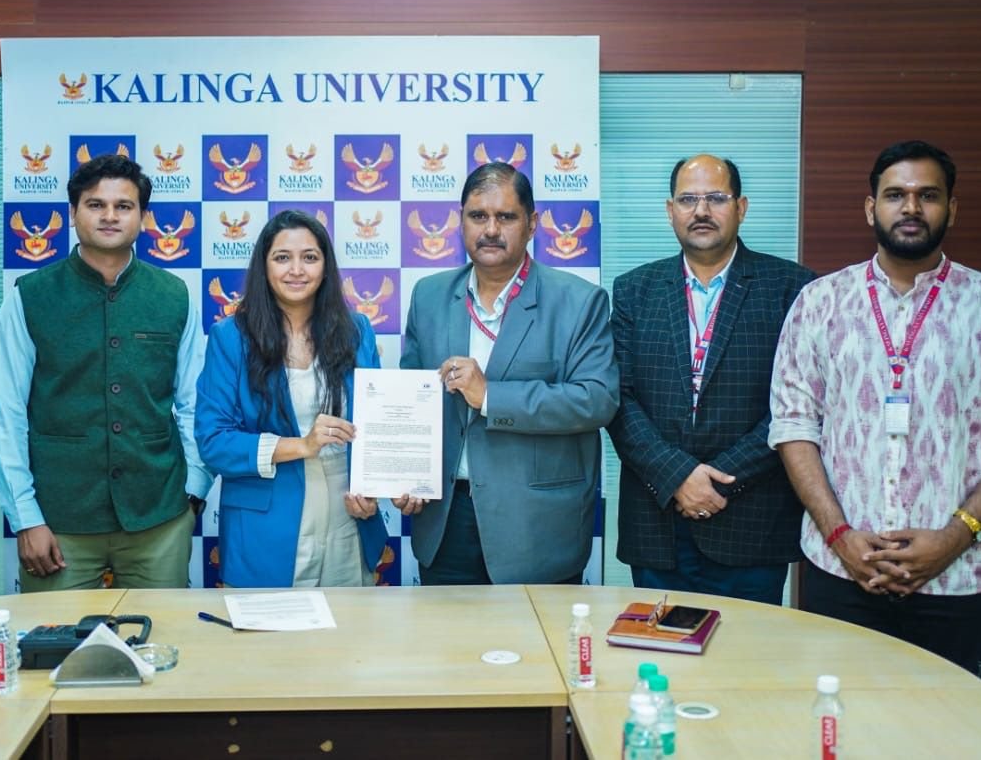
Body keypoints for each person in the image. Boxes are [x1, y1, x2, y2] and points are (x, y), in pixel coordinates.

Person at [770, 140, 981, 695]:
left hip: (967, 580)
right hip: (843, 574)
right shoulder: (819, 303)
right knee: (841, 725)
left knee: (970, 730)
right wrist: (841, 536)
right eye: (895, 195)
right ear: (870, 208)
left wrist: (954, 537)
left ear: (952, 208)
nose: (910, 207)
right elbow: (794, 425)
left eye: (928, 195)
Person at [0, 154, 211, 591]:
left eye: (124, 206)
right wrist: (26, 517)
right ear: (73, 213)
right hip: (59, 522)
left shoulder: (174, 296)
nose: (110, 216)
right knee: (55, 636)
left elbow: (193, 403)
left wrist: (194, 492)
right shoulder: (29, 297)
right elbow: (7, 413)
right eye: (95, 205)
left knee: (164, 634)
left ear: (143, 218)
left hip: (159, 517)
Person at [397, 162, 618, 585]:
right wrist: (406, 475)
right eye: (478, 216)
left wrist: (490, 397)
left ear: (532, 224)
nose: (491, 230)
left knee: (536, 633)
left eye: (506, 217)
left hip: (536, 527)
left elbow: (596, 399)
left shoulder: (578, 301)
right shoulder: (429, 295)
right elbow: (412, 400)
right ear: (461, 221)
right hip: (445, 521)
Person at [608, 155, 814, 606]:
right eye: (688, 200)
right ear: (670, 211)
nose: (701, 211)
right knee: (660, 647)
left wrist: (717, 483)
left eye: (716, 198)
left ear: (741, 207)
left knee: (749, 650)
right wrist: (678, 475)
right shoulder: (634, 290)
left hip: (750, 525)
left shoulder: (792, 288)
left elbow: (796, 406)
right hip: (657, 522)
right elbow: (618, 399)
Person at [195, 209, 387, 587]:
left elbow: (378, 423)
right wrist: (302, 445)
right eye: (282, 257)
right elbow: (213, 442)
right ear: (264, 267)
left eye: (310, 257)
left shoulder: (357, 330)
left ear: (326, 267)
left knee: (347, 623)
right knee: (270, 627)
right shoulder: (230, 337)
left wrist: (374, 489)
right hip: (266, 526)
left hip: (348, 513)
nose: (296, 270)